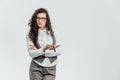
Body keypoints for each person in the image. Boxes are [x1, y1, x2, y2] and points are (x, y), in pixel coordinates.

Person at [26, 8, 61, 80]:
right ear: (35, 19)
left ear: (46, 20)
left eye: (42, 18)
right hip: (36, 66)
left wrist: (41, 52)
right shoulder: (30, 34)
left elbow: (59, 51)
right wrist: (44, 49)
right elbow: (31, 54)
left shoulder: (54, 32)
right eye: (38, 18)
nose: (40, 21)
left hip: (51, 67)